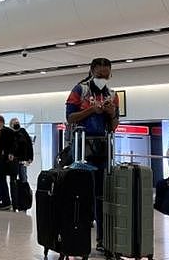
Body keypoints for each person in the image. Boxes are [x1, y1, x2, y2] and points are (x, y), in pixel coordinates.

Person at [66, 57, 119, 252]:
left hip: (103, 147)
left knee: (102, 194)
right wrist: (91, 110)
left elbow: (114, 127)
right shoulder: (80, 90)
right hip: (82, 147)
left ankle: (102, 240)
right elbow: (70, 118)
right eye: (99, 74)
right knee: (82, 193)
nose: (103, 78)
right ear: (92, 71)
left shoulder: (112, 94)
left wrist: (111, 113)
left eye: (106, 75)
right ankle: (77, 239)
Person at [9, 118, 33, 183]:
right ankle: (15, 193)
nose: (17, 124)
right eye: (15, 123)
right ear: (11, 125)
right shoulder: (9, 134)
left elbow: (29, 145)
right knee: (13, 180)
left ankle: (25, 192)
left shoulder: (23, 131)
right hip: (13, 161)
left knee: (23, 178)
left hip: (23, 160)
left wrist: (30, 158)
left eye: (17, 122)